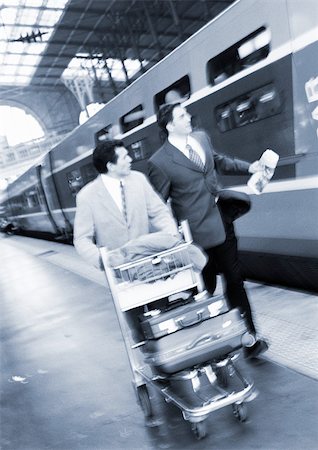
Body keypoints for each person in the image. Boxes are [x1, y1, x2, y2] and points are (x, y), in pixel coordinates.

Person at [148, 102, 268, 359]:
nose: (188, 118)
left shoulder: (201, 138)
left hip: (221, 221)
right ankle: (207, 344)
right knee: (206, 289)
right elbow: (158, 204)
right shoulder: (159, 162)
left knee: (235, 279)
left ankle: (249, 338)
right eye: (182, 116)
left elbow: (219, 161)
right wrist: (168, 237)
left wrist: (250, 167)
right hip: (195, 236)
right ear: (170, 125)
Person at [73, 140, 179, 341]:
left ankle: (173, 359)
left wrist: (171, 234)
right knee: (138, 328)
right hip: (122, 275)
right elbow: (81, 239)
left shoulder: (138, 180)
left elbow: (159, 212)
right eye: (124, 157)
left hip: (151, 266)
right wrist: (103, 260)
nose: (130, 159)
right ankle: (155, 366)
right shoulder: (87, 196)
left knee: (164, 319)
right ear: (110, 166)